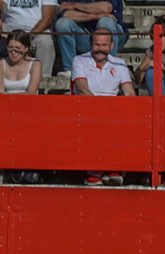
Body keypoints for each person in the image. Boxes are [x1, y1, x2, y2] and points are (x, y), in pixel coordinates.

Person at [71, 28, 134, 186]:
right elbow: (83, 89)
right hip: (86, 109)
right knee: (101, 124)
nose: (100, 49)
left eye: (104, 45)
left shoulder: (119, 63)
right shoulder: (79, 60)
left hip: (113, 112)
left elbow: (129, 92)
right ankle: (96, 170)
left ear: (112, 45)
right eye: (97, 44)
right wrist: (101, 112)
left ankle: (114, 168)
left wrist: (129, 110)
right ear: (91, 44)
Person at [55, 1, 128, 77]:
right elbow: (66, 14)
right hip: (85, 36)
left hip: (113, 37)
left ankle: (109, 69)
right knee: (62, 24)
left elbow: (106, 8)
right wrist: (95, 16)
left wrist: (74, 5)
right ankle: (71, 70)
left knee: (105, 21)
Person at [0, 0, 57, 77]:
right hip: (9, 30)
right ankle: (0, 75)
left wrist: (29, 36)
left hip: (36, 32)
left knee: (46, 41)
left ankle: (43, 78)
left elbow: (48, 18)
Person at [133, 16, 165, 96]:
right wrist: (147, 65)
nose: (155, 41)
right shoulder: (152, 51)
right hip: (163, 88)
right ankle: (160, 103)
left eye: (159, 37)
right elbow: (137, 79)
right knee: (150, 72)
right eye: (152, 38)